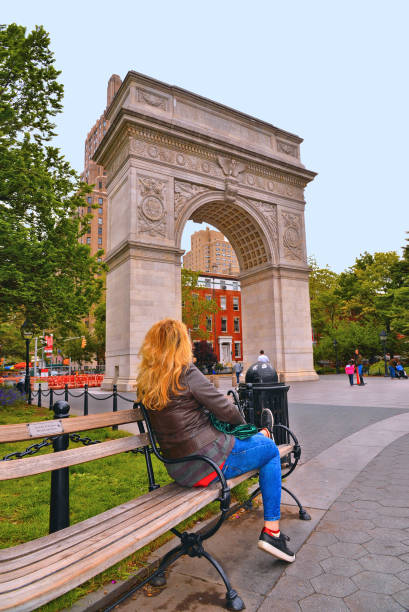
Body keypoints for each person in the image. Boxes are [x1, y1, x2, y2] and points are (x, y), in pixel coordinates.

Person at [136, 318, 295, 563]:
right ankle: (272, 532)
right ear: (182, 346)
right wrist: (244, 427)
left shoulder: (147, 382)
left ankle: (261, 436)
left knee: (261, 447)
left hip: (179, 469)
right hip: (208, 464)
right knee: (271, 451)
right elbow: (225, 409)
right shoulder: (186, 373)